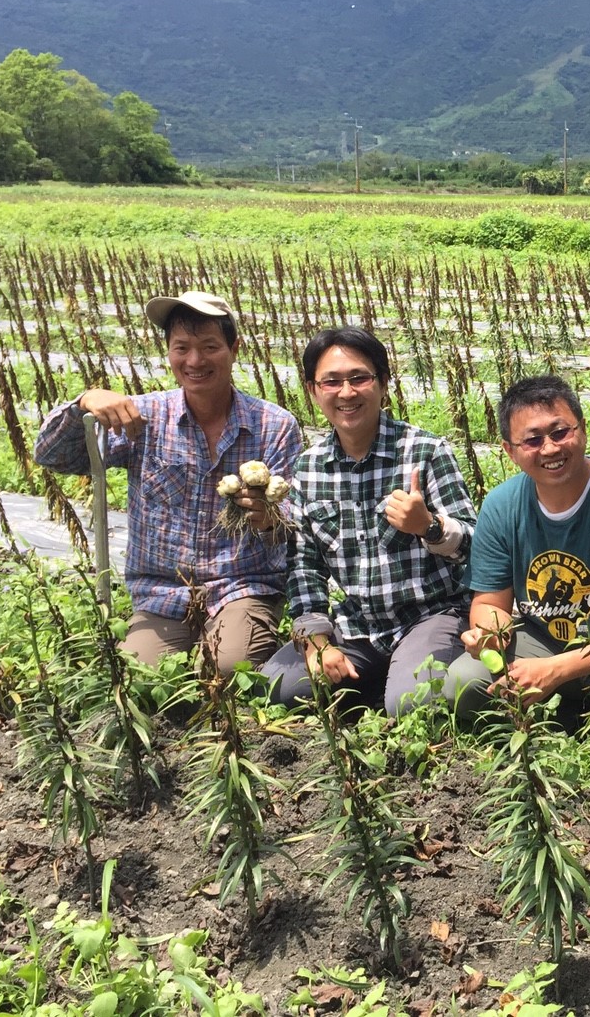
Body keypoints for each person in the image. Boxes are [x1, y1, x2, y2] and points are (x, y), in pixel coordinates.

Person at [34, 290, 301, 673]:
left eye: (210, 346)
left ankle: (232, 638)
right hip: (163, 592)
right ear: (169, 352)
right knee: (142, 675)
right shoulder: (142, 419)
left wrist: (269, 518)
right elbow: (53, 457)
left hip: (240, 587)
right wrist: (84, 404)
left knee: (228, 669)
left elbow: (292, 520)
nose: (195, 360)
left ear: (234, 348)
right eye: (182, 348)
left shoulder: (273, 425)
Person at [445, 375, 590, 742]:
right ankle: (557, 732)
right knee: (464, 682)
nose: (550, 449)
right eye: (533, 440)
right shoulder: (501, 505)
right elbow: (489, 602)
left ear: (583, 430)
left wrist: (557, 669)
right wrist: (492, 631)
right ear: (510, 451)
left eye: (560, 433)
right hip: (541, 641)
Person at [259, 328, 476, 715]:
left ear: (383, 384)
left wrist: (430, 527)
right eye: (332, 381)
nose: (346, 392)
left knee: (413, 705)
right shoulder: (309, 468)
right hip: (360, 623)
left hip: (431, 614)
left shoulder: (425, 452)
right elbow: (304, 565)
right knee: (278, 687)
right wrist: (317, 640)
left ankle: (396, 676)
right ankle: (381, 673)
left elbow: (476, 547)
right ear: (312, 390)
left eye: (360, 378)